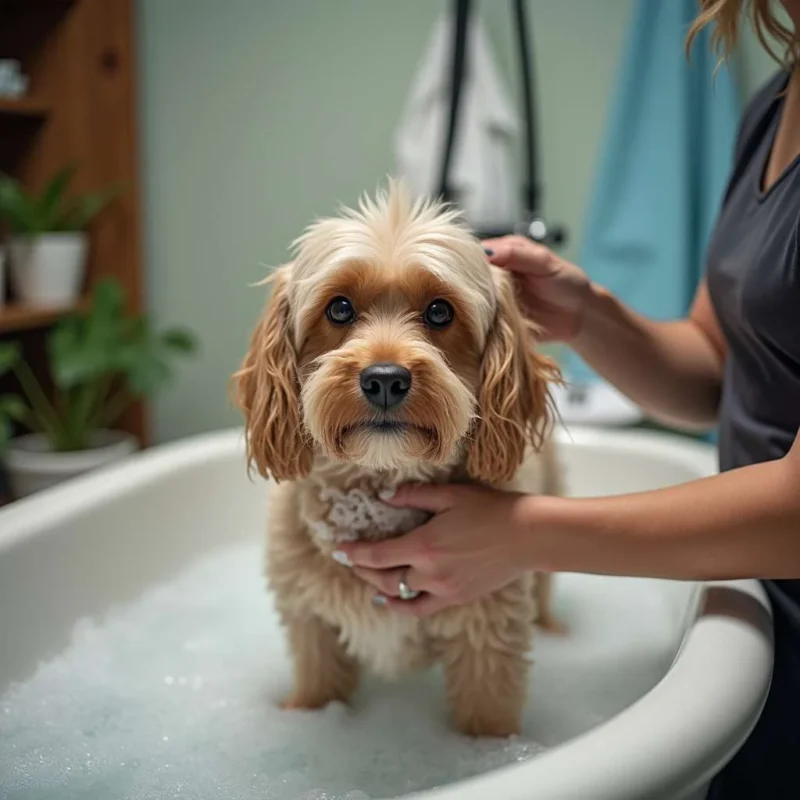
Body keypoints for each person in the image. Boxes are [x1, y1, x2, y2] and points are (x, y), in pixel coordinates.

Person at [332, 1, 800, 796]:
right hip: (758, 598)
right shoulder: (774, 106)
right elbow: (722, 372)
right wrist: (587, 315)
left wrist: (523, 533)